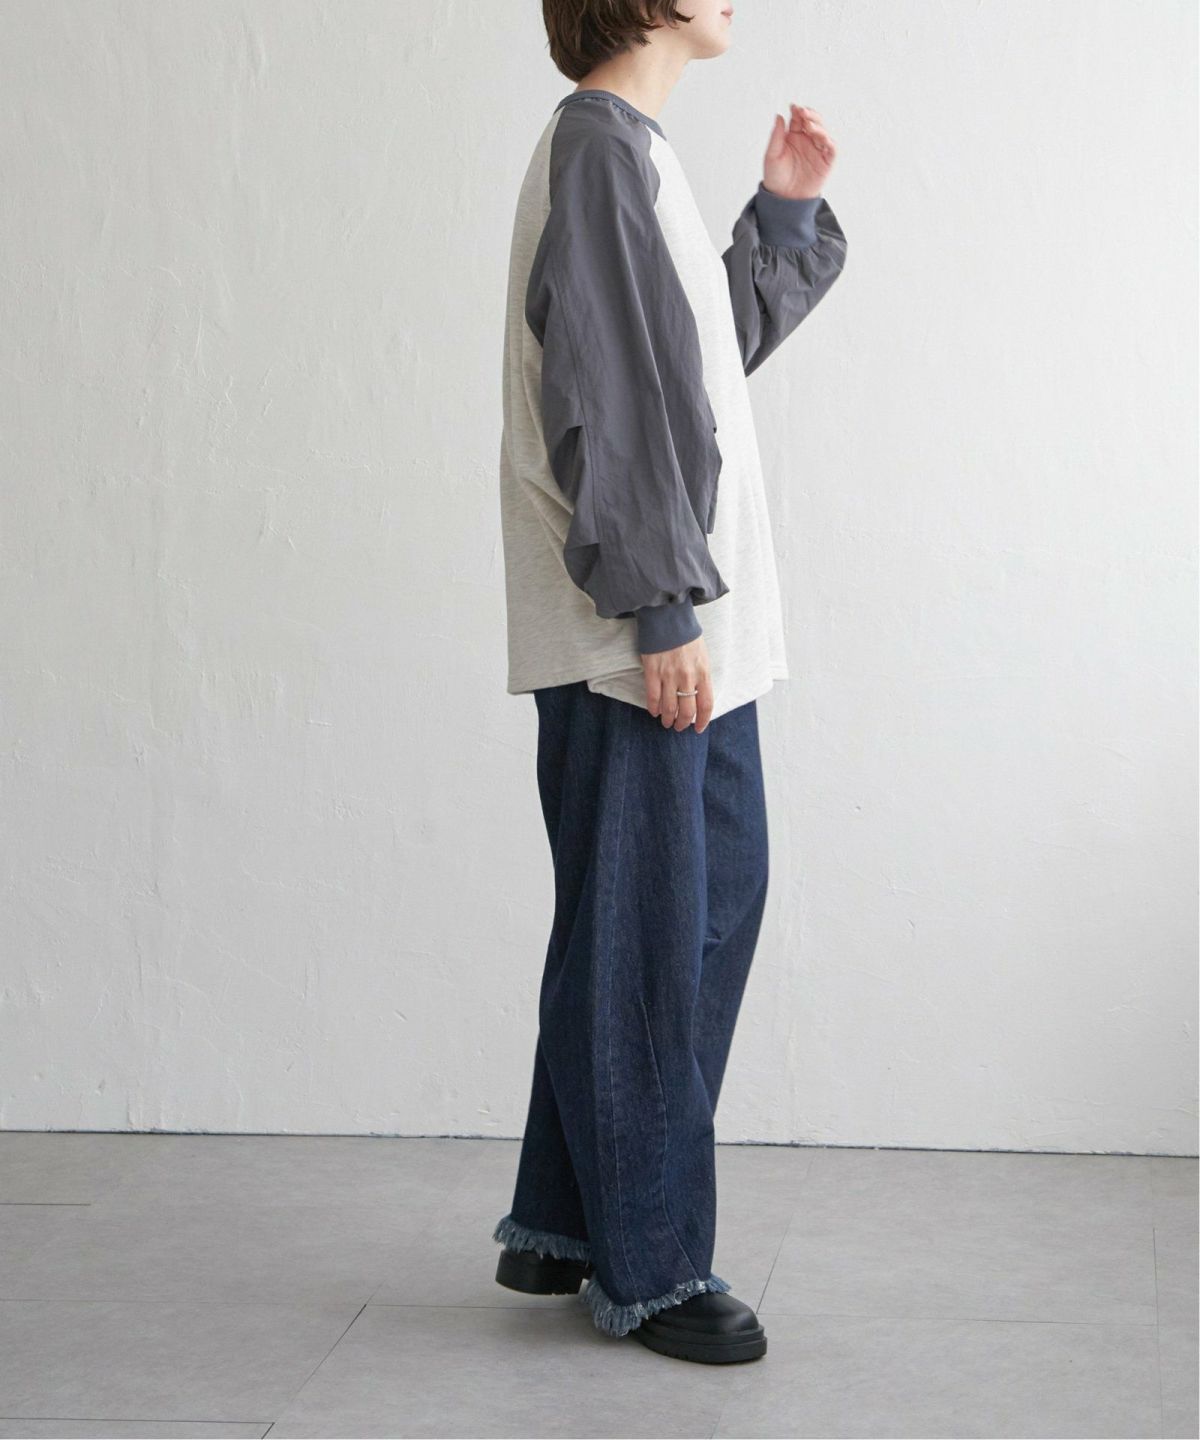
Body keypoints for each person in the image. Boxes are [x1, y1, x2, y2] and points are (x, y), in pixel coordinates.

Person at [492, 0, 847, 1364]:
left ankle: (563, 1219)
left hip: (684, 627)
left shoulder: (628, 148)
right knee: (653, 937)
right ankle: (649, 1263)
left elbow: (688, 372)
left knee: (659, 916)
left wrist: (783, 215)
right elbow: (609, 396)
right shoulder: (598, 149)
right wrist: (658, 608)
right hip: (648, 635)